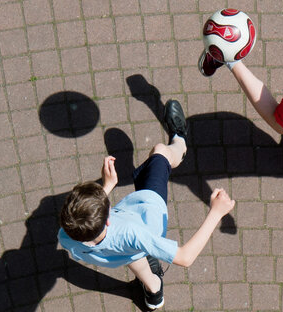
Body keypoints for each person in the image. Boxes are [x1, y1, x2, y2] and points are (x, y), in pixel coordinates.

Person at [58, 100, 235, 310]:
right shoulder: (132, 234)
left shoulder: (67, 235)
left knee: (133, 256)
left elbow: (100, 231)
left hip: (119, 252)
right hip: (148, 212)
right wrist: (216, 212)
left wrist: (107, 187)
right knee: (160, 151)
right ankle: (180, 141)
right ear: (107, 220)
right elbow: (185, 258)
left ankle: (154, 292)